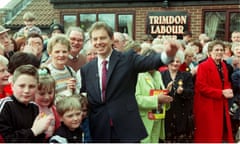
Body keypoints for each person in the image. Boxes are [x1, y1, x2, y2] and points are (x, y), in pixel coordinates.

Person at [80, 21, 179, 142]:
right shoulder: (87, 69)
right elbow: (86, 96)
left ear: (111, 39)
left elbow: (150, 61)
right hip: (100, 129)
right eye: (95, 39)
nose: (98, 42)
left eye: (102, 38)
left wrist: (167, 55)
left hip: (126, 129)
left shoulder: (127, 59)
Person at [0, 65, 53, 142]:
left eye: (31, 86)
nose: (26, 91)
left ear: (37, 87)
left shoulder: (35, 107)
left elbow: (39, 137)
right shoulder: (5, 105)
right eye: (22, 86)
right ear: (12, 86)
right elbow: (7, 139)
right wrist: (33, 131)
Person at [194, 40, 234, 142]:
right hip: (207, 105)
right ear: (210, 52)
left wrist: (228, 89)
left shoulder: (223, 65)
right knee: (209, 133)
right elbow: (201, 87)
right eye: (216, 50)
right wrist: (221, 93)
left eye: (221, 50)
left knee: (219, 133)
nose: (219, 52)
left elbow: (225, 81)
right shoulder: (203, 66)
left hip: (220, 103)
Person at [135, 49, 173, 143]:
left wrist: (166, 96)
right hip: (144, 120)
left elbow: (158, 93)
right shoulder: (138, 75)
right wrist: (157, 99)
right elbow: (136, 99)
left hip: (157, 118)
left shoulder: (158, 74)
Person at [161, 50, 195, 142]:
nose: (175, 63)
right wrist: (166, 91)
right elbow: (156, 93)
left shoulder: (186, 75)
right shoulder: (161, 75)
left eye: (177, 61)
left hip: (181, 113)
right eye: (172, 61)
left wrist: (182, 91)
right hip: (166, 113)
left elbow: (191, 92)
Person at [45, 34, 79, 103]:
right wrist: (68, 92)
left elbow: (77, 91)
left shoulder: (70, 71)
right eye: (57, 52)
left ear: (69, 52)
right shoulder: (46, 72)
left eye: (64, 52)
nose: (61, 55)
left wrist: (74, 90)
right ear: (50, 53)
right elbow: (46, 98)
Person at [34, 67, 61, 140]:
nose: (47, 97)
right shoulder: (31, 110)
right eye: (42, 94)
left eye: (50, 93)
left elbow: (58, 127)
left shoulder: (53, 108)